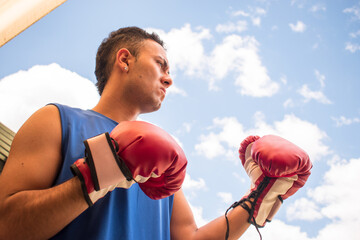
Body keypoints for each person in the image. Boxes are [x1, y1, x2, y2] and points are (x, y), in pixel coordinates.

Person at [0, 27, 311, 240]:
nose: (169, 79)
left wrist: (258, 198)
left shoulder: (162, 165)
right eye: (161, 65)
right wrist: (99, 175)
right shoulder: (57, 120)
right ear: (124, 59)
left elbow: (190, 237)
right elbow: (6, 226)